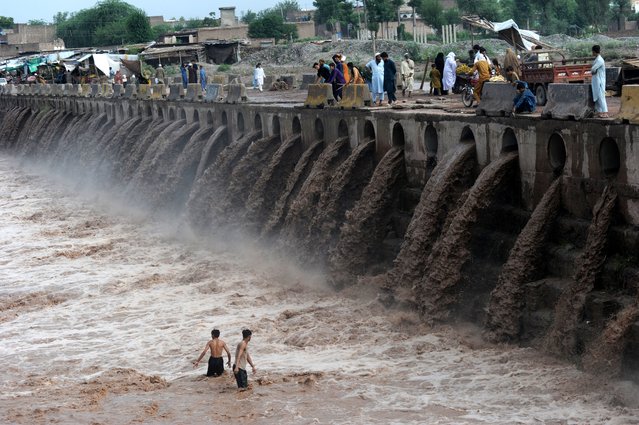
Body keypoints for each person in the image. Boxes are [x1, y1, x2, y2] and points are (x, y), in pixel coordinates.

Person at [591, 44, 608, 118]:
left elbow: (592, 69)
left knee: (601, 96)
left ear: (594, 52)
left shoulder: (599, 60)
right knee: (597, 96)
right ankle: (599, 112)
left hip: (599, 81)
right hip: (596, 81)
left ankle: (604, 112)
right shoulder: (597, 59)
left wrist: (593, 71)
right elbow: (593, 70)